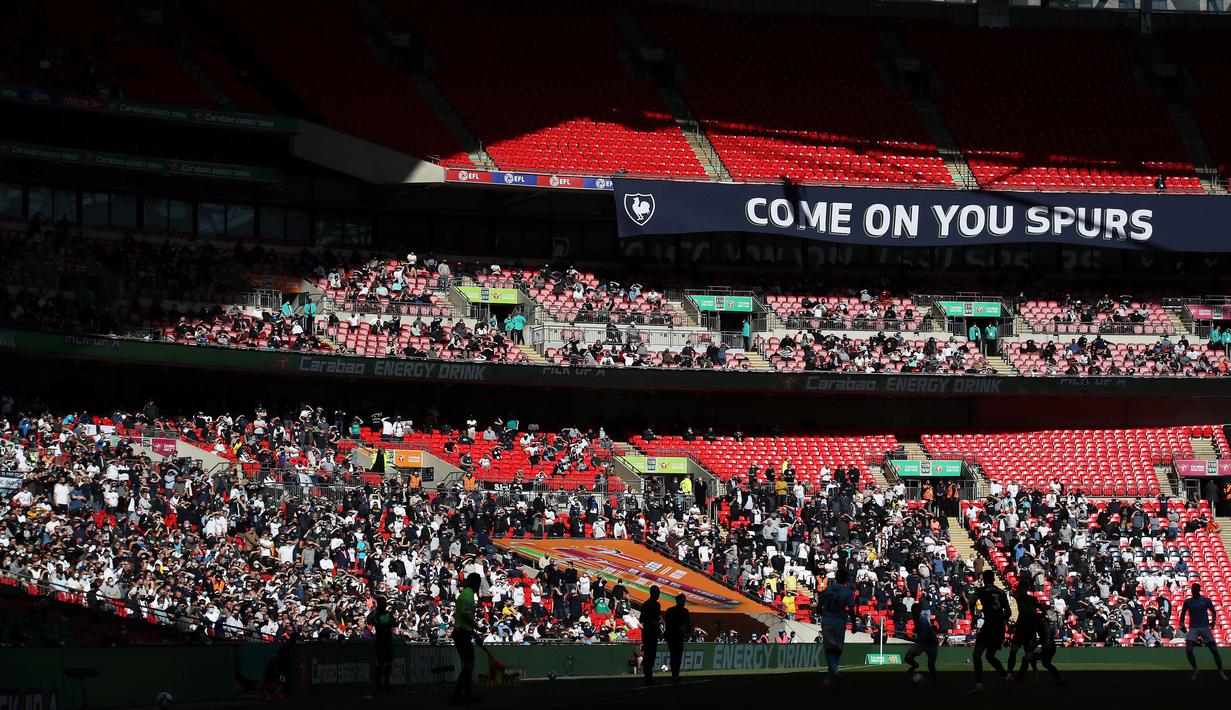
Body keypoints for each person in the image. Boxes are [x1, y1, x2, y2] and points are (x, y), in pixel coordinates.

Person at [969, 570, 1012, 694]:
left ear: (984, 579)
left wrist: (973, 618)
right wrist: (1001, 620)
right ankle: (1007, 677)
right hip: (1000, 626)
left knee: (977, 654)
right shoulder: (1001, 592)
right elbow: (1008, 612)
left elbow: (971, 602)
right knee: (990, 656)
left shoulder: (981, 591)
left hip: (989, 624)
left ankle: (979, 685)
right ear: (993, 579)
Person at [818, 568, 856, 692]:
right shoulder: (847, 592)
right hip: (840, 623)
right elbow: (851, 609)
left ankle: (834, 673)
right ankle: (827, 682)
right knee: (837, 651)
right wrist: (854, 624)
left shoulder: (827, 590)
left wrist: (822, 612)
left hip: (828, 622)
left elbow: (819, 607)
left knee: (829, 651)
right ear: (845, 579)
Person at [1179, 583, 1227, 680]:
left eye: (1196, 589)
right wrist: (1182, 624)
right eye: (1193, 589)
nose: (1194, 591)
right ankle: (1196, 669)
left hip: (1205, 627)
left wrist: (1213, 620)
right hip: (1193, 628)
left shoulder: (1206, 600)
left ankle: (1220, 671)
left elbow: (1213, 611)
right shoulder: (1188, 602)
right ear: (1192, 590)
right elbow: (1182, 614)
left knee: (1214, 650)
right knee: (1189, 650)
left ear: (1199, 590)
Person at [451, 573, 482, 704]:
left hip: (462, 631)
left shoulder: (465, 594)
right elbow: (466, 616)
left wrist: (474, 633)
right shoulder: (468, 596)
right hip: (462, 633)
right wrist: (478, 628)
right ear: (475, 583)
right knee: (469, 665)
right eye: (479, 583)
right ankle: (457, 695)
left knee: (468, 665)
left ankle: (467, 694)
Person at [904, 609, 940, 687]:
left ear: (919, 613)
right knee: (908, 658)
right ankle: (915, 665)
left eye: (915, 614)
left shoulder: (923, 621)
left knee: (931, 665)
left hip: (931, 644)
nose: (914, 616)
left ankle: (936, 680)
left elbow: (922, 639)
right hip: (921, 642)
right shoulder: (916, 620)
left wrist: (908, 639)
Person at [664, 593, 691, 684]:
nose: (683, 602)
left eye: (684, 601)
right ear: (678, 601)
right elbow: (669, 625)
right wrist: (682, 628)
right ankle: (675, 675)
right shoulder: (672, 611)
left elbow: (688, 625)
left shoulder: (675, 611)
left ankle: (676, 675)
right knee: (675, 655)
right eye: (682, 601)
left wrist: (686, 628)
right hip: (673, 636)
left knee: (677, 656)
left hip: (678, 636)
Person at [372, 597, 395, 692]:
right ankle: (378, 684)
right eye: (382, 603)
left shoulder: (388, 614)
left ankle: (386, 683)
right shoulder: (376, 614)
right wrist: (387, 622)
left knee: (388, 663)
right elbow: (382, 624)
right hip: (380, 641)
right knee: (380, 664)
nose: (384, 605)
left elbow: (393, 622)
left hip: (388, 640)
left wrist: (388, 622)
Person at [640, 586, 662, 686]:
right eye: (656, 592)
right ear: (652, 593)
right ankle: (647, 677)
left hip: (654, 633)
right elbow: (642, 619)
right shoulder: (646, 605)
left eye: (658, 592)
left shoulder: (658, 605)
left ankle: (649, 676)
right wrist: (652, 623)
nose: (658, 594)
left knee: (652, 656)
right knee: (648, 655)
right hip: (648, 632)